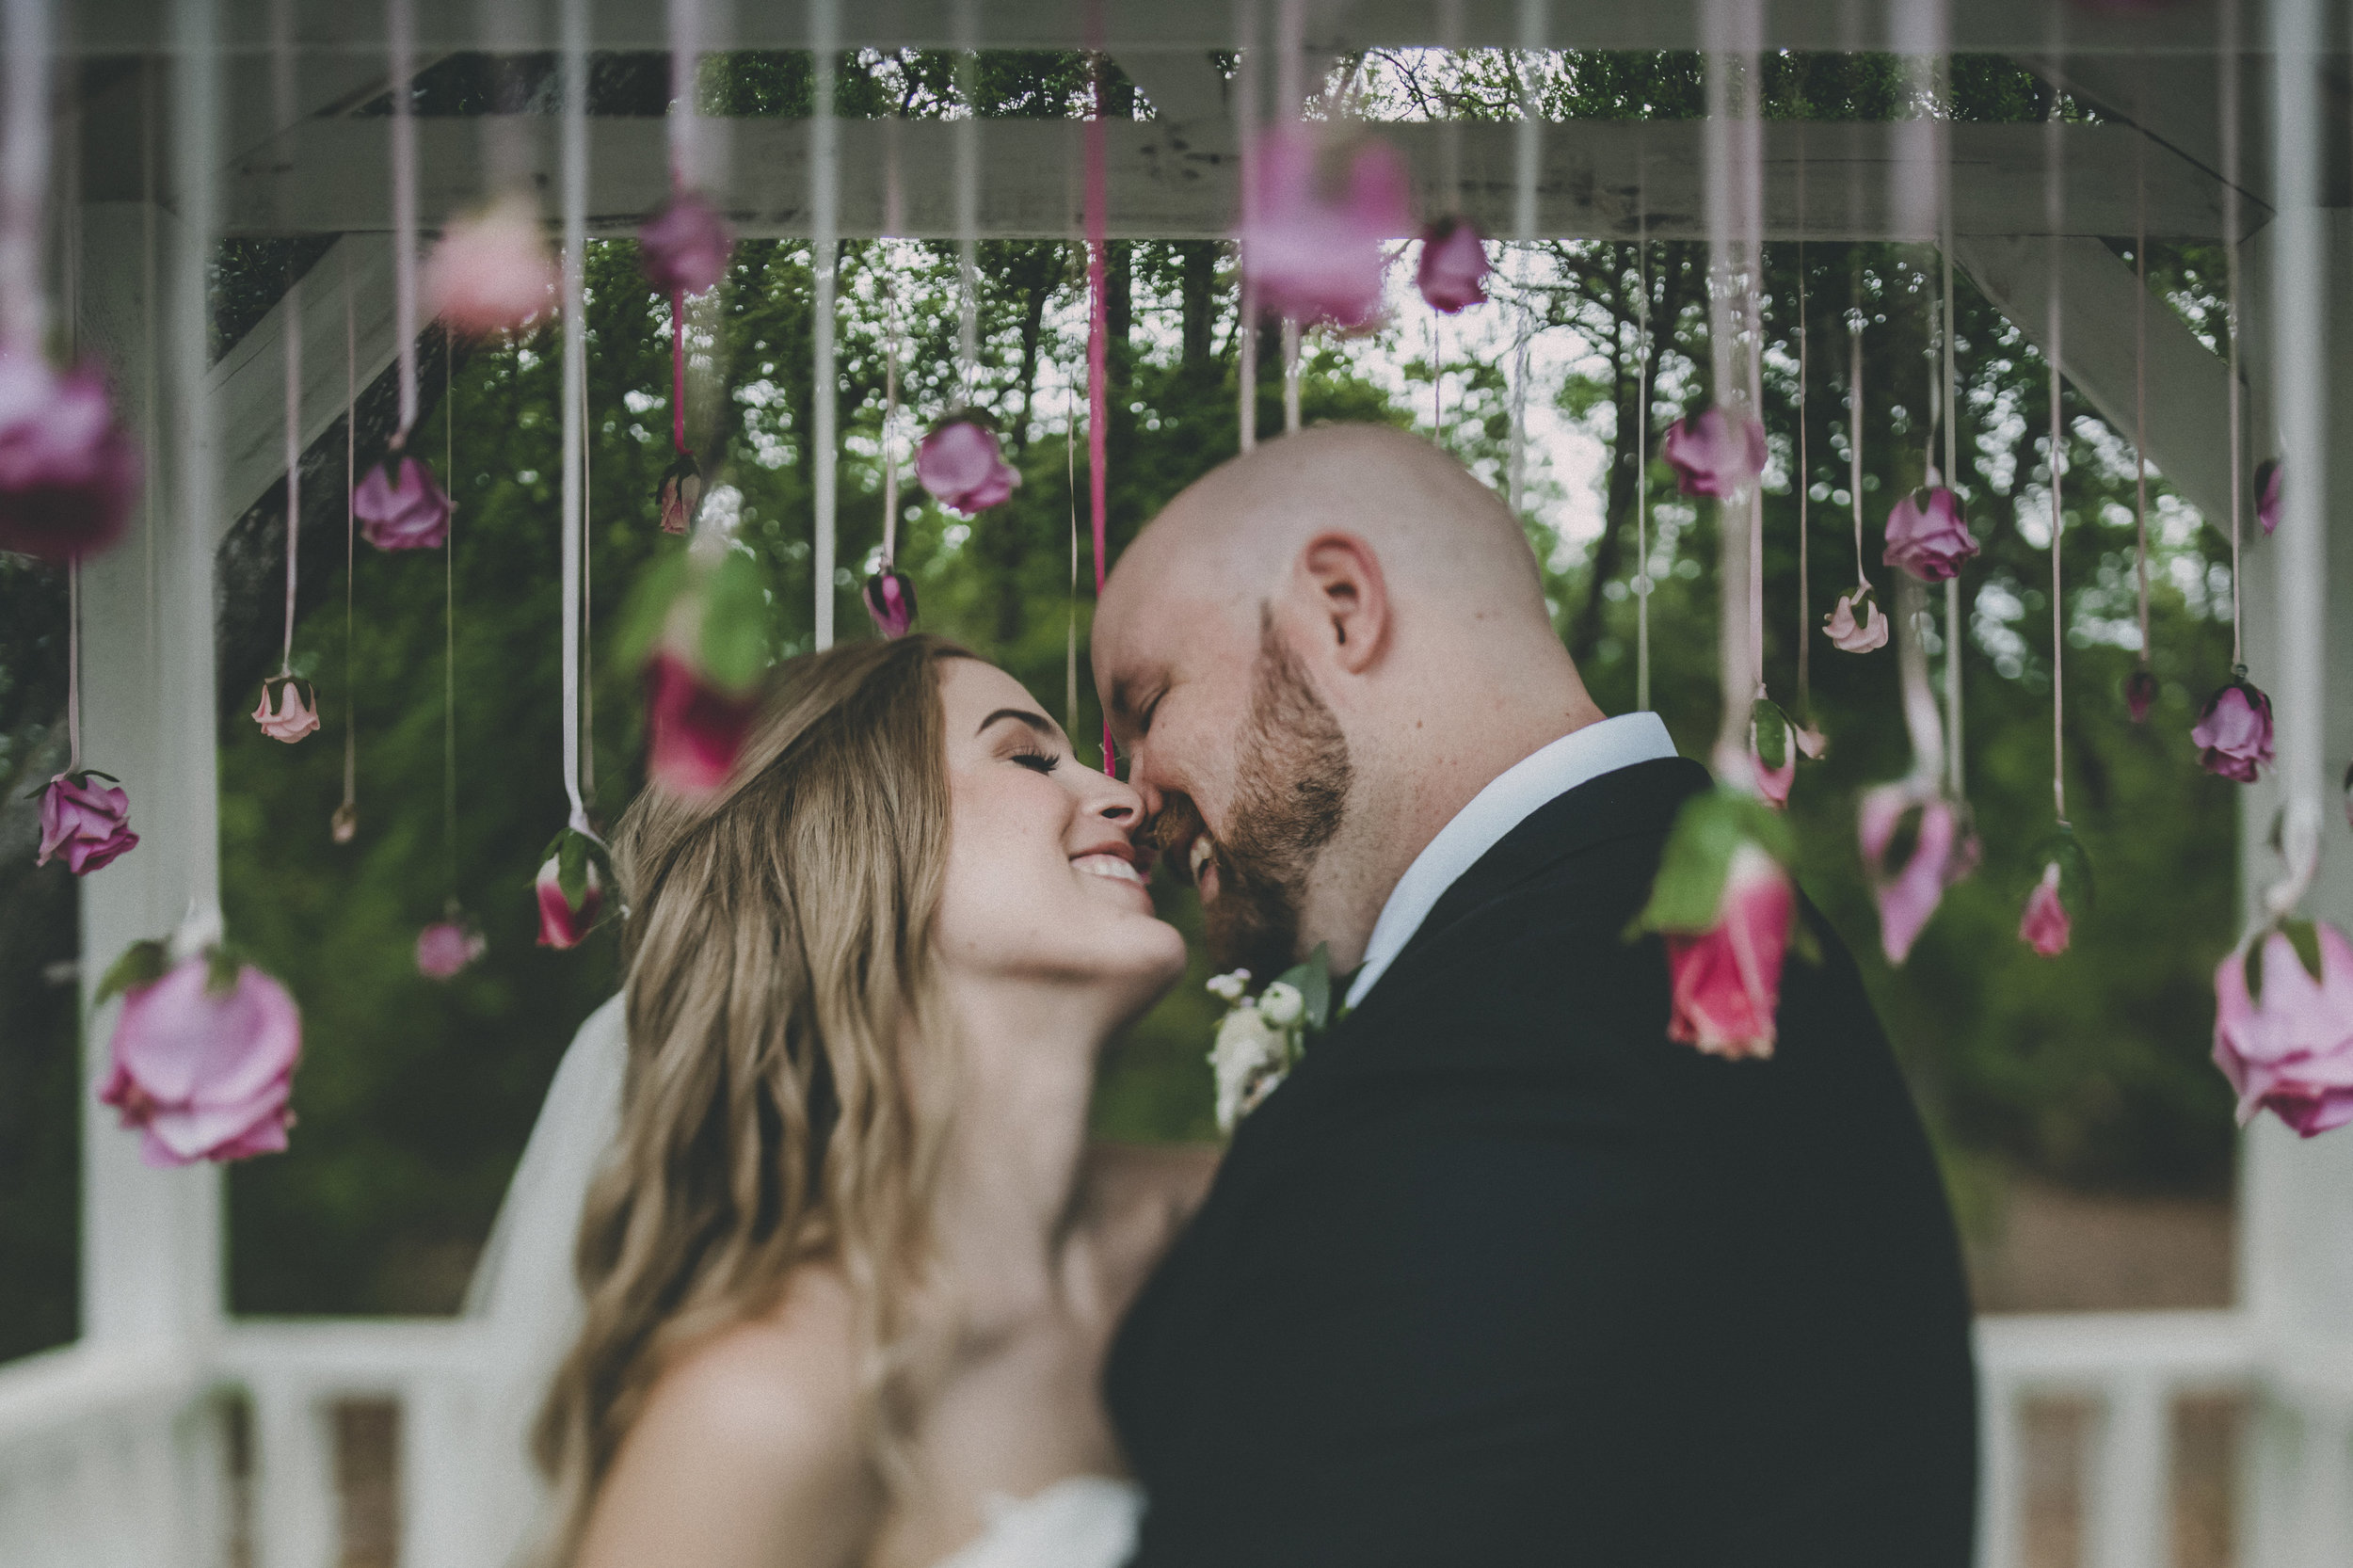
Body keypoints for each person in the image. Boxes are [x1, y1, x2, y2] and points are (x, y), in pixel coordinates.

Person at [1092, 424, 1978, 1567]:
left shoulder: (1522, 1035)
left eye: (1150, 702)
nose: (1134, 796)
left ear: (1340, 605)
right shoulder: (1655, 928)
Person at [535, 634, 1216, 1568]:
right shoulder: (770, 1405)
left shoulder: (1228, 1219)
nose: (1125, 799)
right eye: (1025, 755)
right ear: (848, 841)